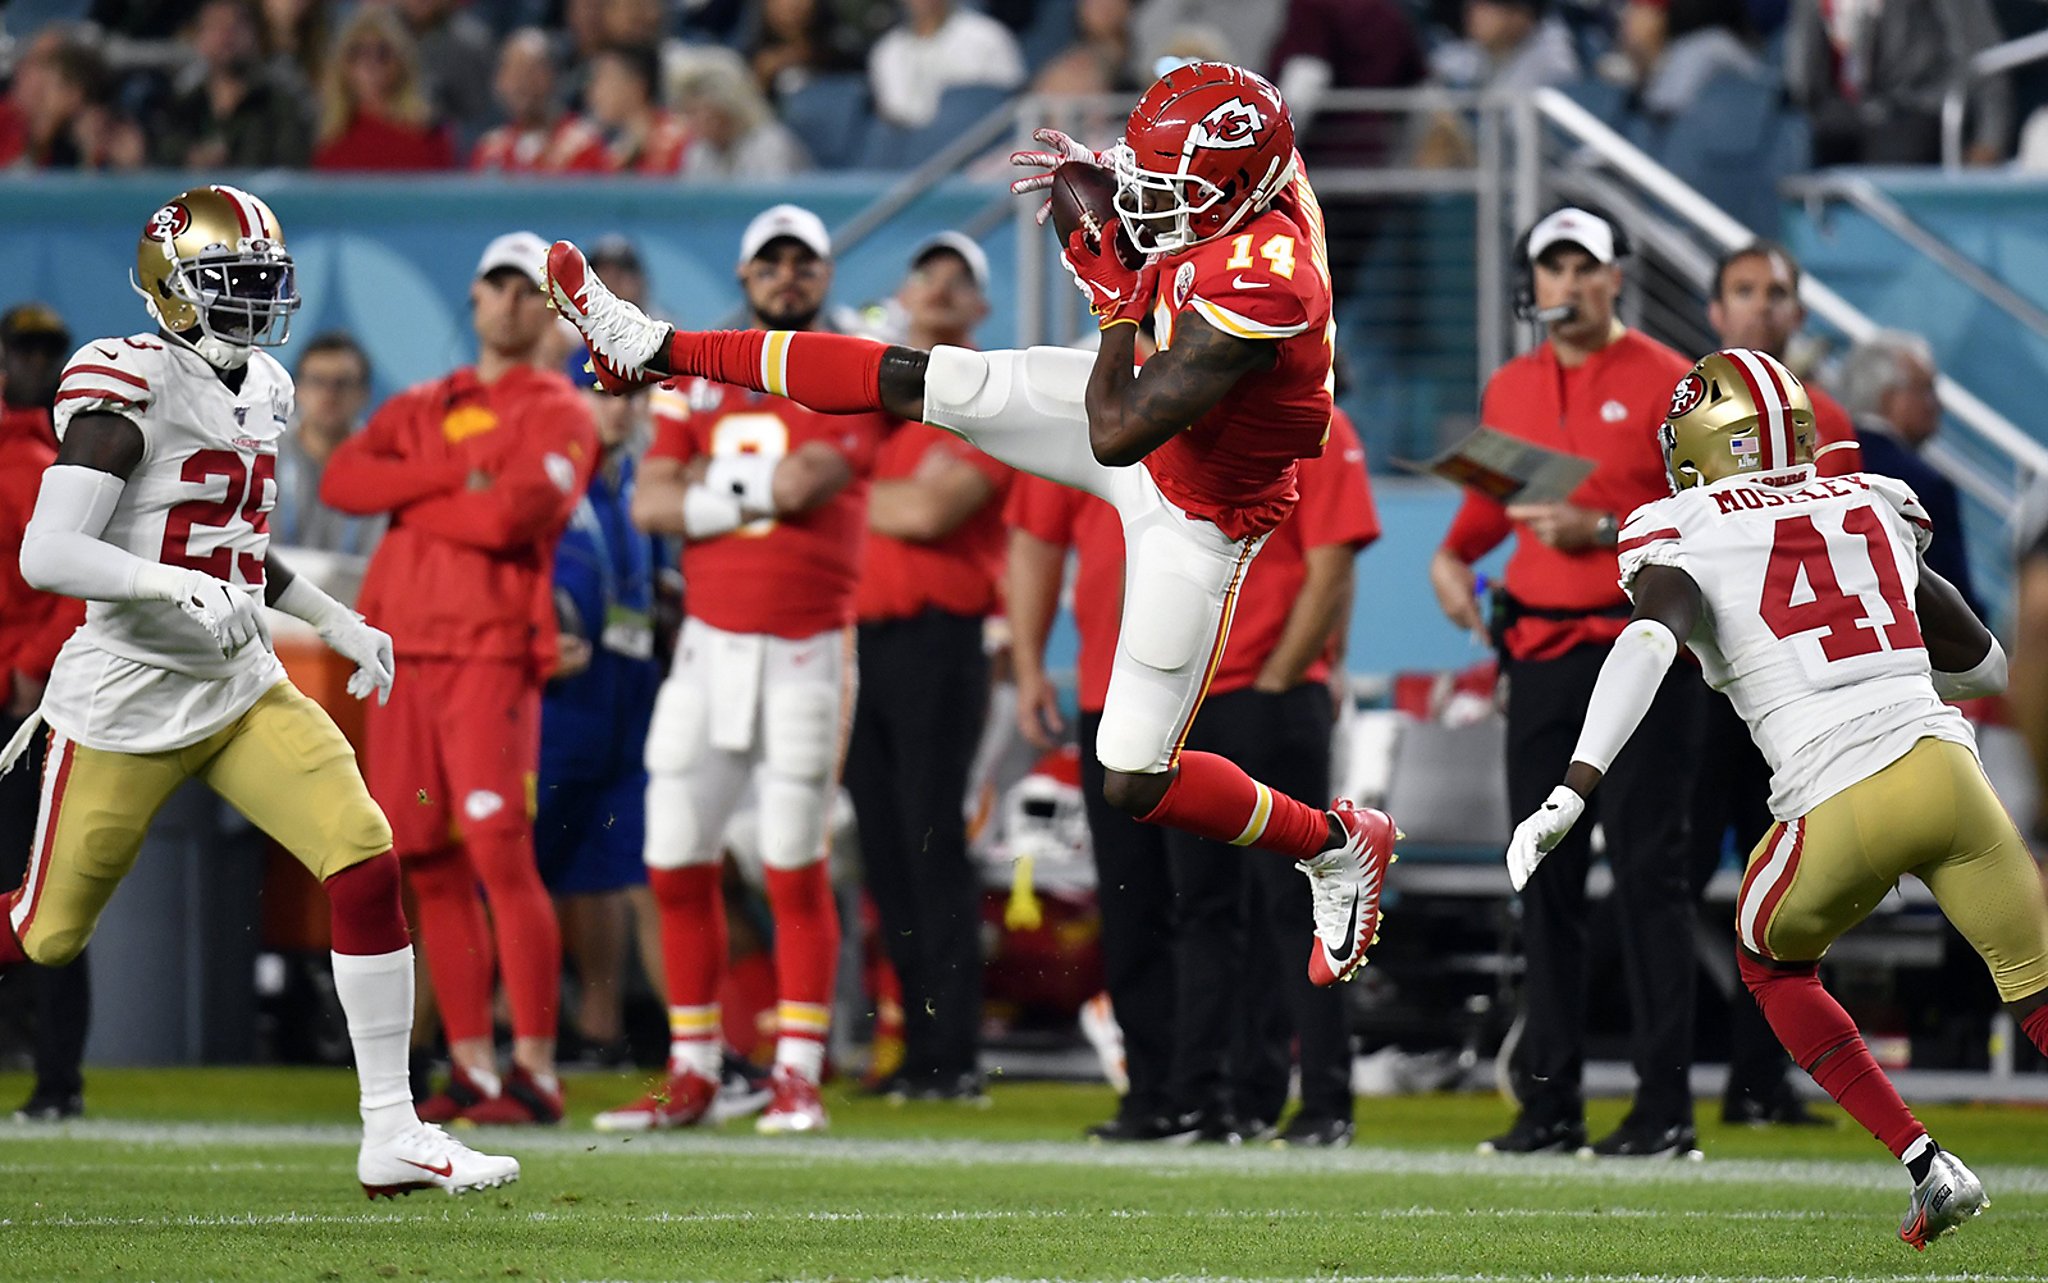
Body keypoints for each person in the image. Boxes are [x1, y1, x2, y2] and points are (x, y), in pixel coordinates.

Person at [550, 61, 1399, 993]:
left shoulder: (1269, 285)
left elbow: (1115, 434)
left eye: (1170, 191)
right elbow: (1184, 194)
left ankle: (1332, 843)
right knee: (921, 377)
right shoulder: (1246, 171)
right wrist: (1119, 193)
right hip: (1155, 421)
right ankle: (656, 346)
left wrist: (1115, 303)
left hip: (1195, 506)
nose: (1147, 203)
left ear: (1232, 194)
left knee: (1130, 775)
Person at [3, 184, 515, 1193]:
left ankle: (392, 1129)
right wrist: (174, 584)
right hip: (128, 693)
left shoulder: (262, 385)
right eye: (231, 284)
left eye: (262, 284)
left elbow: (236, 548)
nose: (252, 304)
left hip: (238, 684)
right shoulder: (129, 382)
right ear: (174, 288)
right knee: (44, 929)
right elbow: (47, 552)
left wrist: (335, 619)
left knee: (365, 855)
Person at [1507, 346, 2048, 1248]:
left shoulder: (1680, 524)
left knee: (1769, 959)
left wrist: (1575, 784)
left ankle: (1926, 1163)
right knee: (2039, 995)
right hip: (1953, 773)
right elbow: (1986, 662)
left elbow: (1647, 642)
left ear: (1706, 446)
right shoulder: (1869, 497)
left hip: (1840, 794)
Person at [589, 205, 890, 1136]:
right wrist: (747, 494)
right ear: (746, 272)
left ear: (825, 274)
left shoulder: (853, 368)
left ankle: (798, 1070)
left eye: (805, 262)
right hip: (709, 645)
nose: (788, 276)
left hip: (807, 644)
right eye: (773, 261)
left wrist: (708, 496)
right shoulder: (695, 373)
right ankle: (696, 1068)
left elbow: (808, 486)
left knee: (790, 856)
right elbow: (648, 504)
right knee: (674, 854)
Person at [1428, 205, 1705, 1158]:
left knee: (1646, 876)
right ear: (1533, 283)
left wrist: (1606, 529)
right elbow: (1486, 511)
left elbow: (1709, 515)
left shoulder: (1674, 381)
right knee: (1538, 874)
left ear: (1617, 275)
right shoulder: (1511, 386)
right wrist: (1449, 563)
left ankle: (1664, 1105)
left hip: (1639, 651)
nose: (1570, 284)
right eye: (1554, 267)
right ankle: (1549, 1101)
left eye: (1586, 265)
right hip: (1540, 658)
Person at [321, 231, 599, 1126]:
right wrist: (451, 474)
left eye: (528, 289)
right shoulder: (430, 403)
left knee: (499, 854)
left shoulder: (561, 409)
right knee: (430, 864)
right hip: (405, 653)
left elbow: (512, 515)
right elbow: (343, 480)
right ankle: (474, 1064)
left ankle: (537, 1068)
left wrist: (413, 488)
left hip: (489, 653)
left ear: (546, 307)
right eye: (497, 286)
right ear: (474, 300)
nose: (512, 303)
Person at [1691, 240, 1858, 1126]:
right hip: (1702, 682)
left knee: (1793, 890)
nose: (1760, 306)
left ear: (1797, 313)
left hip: (1793, 693)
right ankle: (1661, 1079)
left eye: (1776, 293)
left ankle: (1760, 1080)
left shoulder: (1827, 417)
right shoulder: (1683, 418)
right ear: (1717, 313)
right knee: (1666, 879)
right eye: (1743, 291)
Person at [847, 233, 1011, 1102]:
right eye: (929, 272)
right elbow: (900, 504)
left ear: (982, 309)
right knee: (884, 847)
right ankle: (916, 1048)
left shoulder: (987, 397)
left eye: (962, 280)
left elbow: (924, 510)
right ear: (904, 295)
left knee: (929, 838)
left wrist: (830, 491)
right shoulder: (880, 399)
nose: (942, 289)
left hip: (940, 641)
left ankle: (954, 1050)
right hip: (862, 645)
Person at [535, 365, 662, 1070]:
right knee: (518, 870)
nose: (619, 409)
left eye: (633, 394)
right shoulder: (545, 477)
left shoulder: (639, 478)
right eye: (603, 393)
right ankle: (505, 1030)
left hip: (627, 693)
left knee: (612, 869)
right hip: (557, 698)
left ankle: (601, 1030)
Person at [0, 302, 89, 1121]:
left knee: (45, 885)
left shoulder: (50, 460)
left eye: (47, 351)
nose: (36, 362)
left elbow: (84, 575)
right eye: (23, 349)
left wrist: (35, 665)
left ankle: (57, 1076)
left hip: (24, 703)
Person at [1837, 330, 1979, 618]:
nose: (1937, 405)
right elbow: (1957, 606)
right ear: (1891, 397)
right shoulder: (1928, 487)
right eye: (1926, 389)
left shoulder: (1822, 459)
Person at [274, 332, 381, 556]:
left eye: (342, 383)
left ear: (364, 394)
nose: (329, 394)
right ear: (297, 390)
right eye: (317, 381)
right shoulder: (265, 456)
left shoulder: (382, 467)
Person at [311, 7, 457, 171]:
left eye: (382, 53)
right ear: (342, 65)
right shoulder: (326, 139)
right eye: (357, 52)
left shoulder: (429, 134)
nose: (369, 65)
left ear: (401, 64)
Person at [469, 29, 587, 173]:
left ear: (554, 76)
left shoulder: (583, 147)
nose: (521, 83)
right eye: (513, 71)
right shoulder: (490, 151)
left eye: (532, 71)